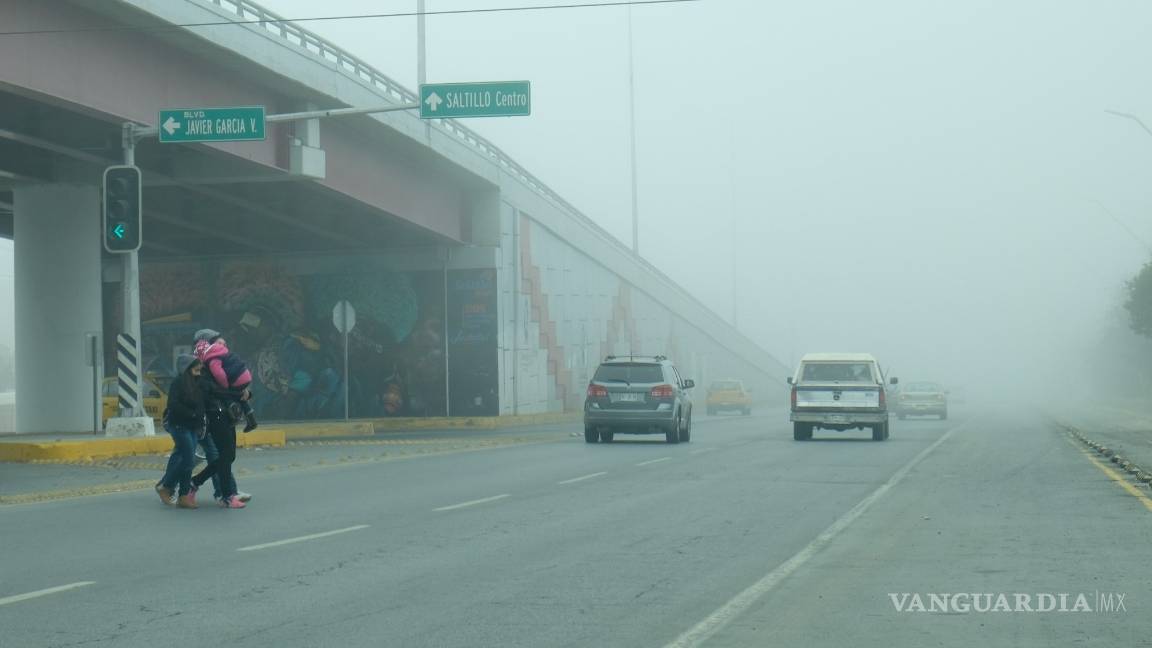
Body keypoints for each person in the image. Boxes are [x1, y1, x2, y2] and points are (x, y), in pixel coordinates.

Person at [188, 328, 250, 509]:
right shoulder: (204, 371)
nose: (222, 347)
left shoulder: (220, 367)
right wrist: (237, 392)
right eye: (216, 343)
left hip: (226, 415)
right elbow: (219, 391)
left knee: (228, 456)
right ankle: (227, 495)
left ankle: (196, 483)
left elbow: (232, 386)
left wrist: (244, 392)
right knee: (225, 455)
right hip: (215, 416)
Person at [155, 354, 205, 509]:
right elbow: (173, 405)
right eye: (195, 366)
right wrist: (192, 414)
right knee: (188, 460)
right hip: (179, 426)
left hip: (193, 427)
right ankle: (167, 486)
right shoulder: (178, 383)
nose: (199, 369)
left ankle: (183, 496)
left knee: (187, 461)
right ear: (187, 368)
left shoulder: (198, 383)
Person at [195, 330, 258, 433]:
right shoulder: (222, 352)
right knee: (240, 396)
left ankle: (235, 415)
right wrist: (242, 391)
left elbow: (218, 380)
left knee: (229, 397)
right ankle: (250, 419)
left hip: (219, 417)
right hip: (243, 378)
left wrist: (226, 386)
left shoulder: (210, 360)